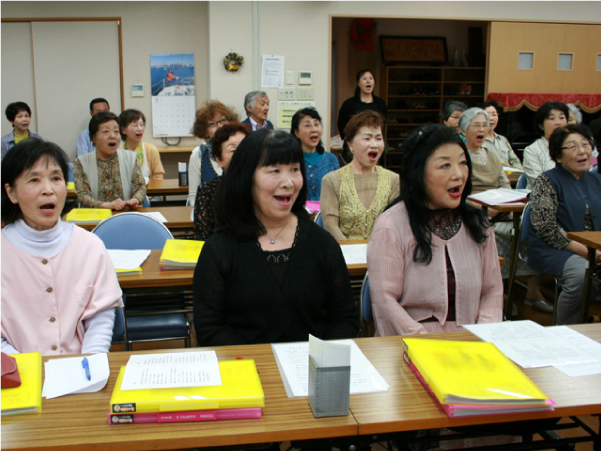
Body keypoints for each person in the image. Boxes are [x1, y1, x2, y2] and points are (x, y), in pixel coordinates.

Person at [193, 129, 358, 346]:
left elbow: (344, 320)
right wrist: (258, 362)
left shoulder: (322, 244)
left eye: (294, 169)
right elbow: (209, 329)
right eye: (274, 170)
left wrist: (316, 360)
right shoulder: (220, 249)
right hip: (245, 364)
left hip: (310, 364)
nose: (288, 182)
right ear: (246, 177)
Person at [367, 124, 503, 336]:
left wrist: (483, 337)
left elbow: (492, 291)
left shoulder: (478, 223)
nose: (458, 174)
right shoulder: (391, 226)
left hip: (473, 340)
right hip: (412, 343)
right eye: (445, 165)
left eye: (463, 163)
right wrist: (427, 345)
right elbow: (385, 301)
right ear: (418, 172)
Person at [1, 139, 123, 356]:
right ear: (11, 192)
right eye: (34, 180)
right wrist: (24, 369)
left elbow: (100, 318)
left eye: (56, 178)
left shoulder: (89, 246)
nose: (48, 190)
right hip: (17, 372)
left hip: (79, 368)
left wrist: (90, 364)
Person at [459, 107, 548, 312]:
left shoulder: (492, 155)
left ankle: (532, 290)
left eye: (484, 125)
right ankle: (496, 293)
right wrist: (484, 209)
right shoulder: (459, 156)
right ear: (464, 130)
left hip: (500, 209)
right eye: (476, 125)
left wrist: (507, 202)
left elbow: (505, 184)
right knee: (491, 233)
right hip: (474, 210)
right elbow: (459, 193)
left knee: (532, 231)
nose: (482, 129)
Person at [528, 124, 601, 325]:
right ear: (558, 156)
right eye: (573, 146)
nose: (582, 151)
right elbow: (546, 227)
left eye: (585, 144)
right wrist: (587, 251)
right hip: (556, 248)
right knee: (582, 276)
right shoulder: (547, 180)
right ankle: (566, 330)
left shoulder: (597, 180)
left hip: (594, 247)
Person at [321, 110, 400, 241]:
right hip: (343, 251)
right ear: (350, 144)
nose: (374, 144)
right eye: (367, 138)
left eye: (378, 138)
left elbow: (395, 225)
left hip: (383, 249)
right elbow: (330, 226)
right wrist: (351, 250)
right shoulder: (332, 180)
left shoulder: (393, 180)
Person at [73, 112, 146, 210]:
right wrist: (107, 205)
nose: (112, 136)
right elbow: (83, 195)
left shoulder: (131, 158)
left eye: (116, 131)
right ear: (93, 138)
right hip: (96, 215)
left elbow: (140, 187)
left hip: (125, 213)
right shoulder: (81, 163)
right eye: (106, 131)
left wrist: (135, 200)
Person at [193, 123, 248, 241]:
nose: (241, 154)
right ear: (219, 159)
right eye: (233, 150)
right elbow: (202, 238)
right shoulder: (208, 190)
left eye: (245, 148)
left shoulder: (262, 188)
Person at [187, 100, 239, 206]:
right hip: (209, 211)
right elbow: (193, 197)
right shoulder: (199, 155)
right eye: (212, 124)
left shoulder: (242, 150)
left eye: (223, 120)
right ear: (205, 131)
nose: (220, 126)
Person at [290, 107, 339, 201]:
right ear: (296, 132)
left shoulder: (331, 160)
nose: (314, 129)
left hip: (325, 210)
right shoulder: (290, 160)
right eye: (307, 125)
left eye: (316, 124)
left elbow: (338, 193)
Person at [523, 101, 569, 189]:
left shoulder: (573, 147)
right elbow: (538, 183)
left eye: (562, 118)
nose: (558, 123)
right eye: (552, 118)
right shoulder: (532, 150)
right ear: (541, 125)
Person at [337, 69, 387, 141]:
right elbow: (341, 124)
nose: (368, 81)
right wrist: (348, 140)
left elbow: (383, 124)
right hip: (355, 142)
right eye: (364, 79)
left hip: (375, 141)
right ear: (358, 83)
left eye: (371, 78)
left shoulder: (380, 103)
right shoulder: (349, 104)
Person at [119, 109, 165, 183]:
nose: (140, 129)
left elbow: (158, 175)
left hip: (148, 189)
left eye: (141, 124)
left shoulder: (151, 149)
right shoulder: (116, 151)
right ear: (123, 130)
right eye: (135, 125)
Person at [481, 99, 523, 169]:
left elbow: (515, 161)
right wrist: (504, 163)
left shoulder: (503, 140)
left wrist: (519, 171)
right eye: (487, 115)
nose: (491, 118)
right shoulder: (477, 140)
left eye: (494, 114)